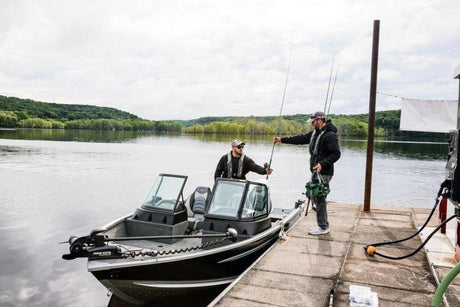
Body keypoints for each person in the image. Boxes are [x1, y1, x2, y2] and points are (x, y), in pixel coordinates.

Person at [273, 111, 341, 235]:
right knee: (314, 196)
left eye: (313, 121)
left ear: (320, 120)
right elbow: (300, 139)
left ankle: (323, 226)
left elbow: (336, 154)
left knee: (319, 198)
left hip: (324, 172)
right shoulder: (316, 133)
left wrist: (322, 164)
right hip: (316, 172)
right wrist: (282, 140)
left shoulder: (330, 135)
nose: (312, 124)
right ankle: (323, 223)